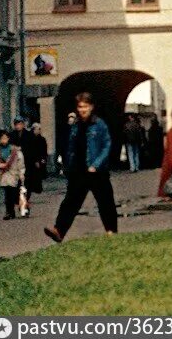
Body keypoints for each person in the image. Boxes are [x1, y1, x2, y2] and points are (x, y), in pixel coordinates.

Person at [44, 92, 118, 242]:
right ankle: (59, 231)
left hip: (97, 171)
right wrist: (67, 165)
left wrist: (96, 164)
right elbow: (70, 146)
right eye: (80, 107)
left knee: (105, 202)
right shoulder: (75, 125)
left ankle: (111, 231)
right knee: (70, 202)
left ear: (91, 107)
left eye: (85, 106)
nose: (82, 109)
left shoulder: (99, 124)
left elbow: (107, 145)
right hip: (78, 170)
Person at [0, 130, 24, 220]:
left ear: (8, 139)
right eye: (2, 138)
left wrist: (21, 174)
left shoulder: (14, 150)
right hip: (4, 175)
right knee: (8, 194)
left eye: (5, 138)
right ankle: (9, 212)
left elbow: (20, 162)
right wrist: (1, 165)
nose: (4, 140)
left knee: (14, 194)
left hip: (14, 174)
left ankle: (23, 206)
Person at [22, 123, 47, 199]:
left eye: (40, 129)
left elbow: (44, 150)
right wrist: (35, 160)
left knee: (37, 176)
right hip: (30, 162)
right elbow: (30, 150)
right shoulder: (30, 138)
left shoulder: (42, 139)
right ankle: (29, 192)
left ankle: (36, 188)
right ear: (34, 129)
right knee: (30, 178)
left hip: (39, 160)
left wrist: (43, 159)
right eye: (38, 129)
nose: (39, 131)